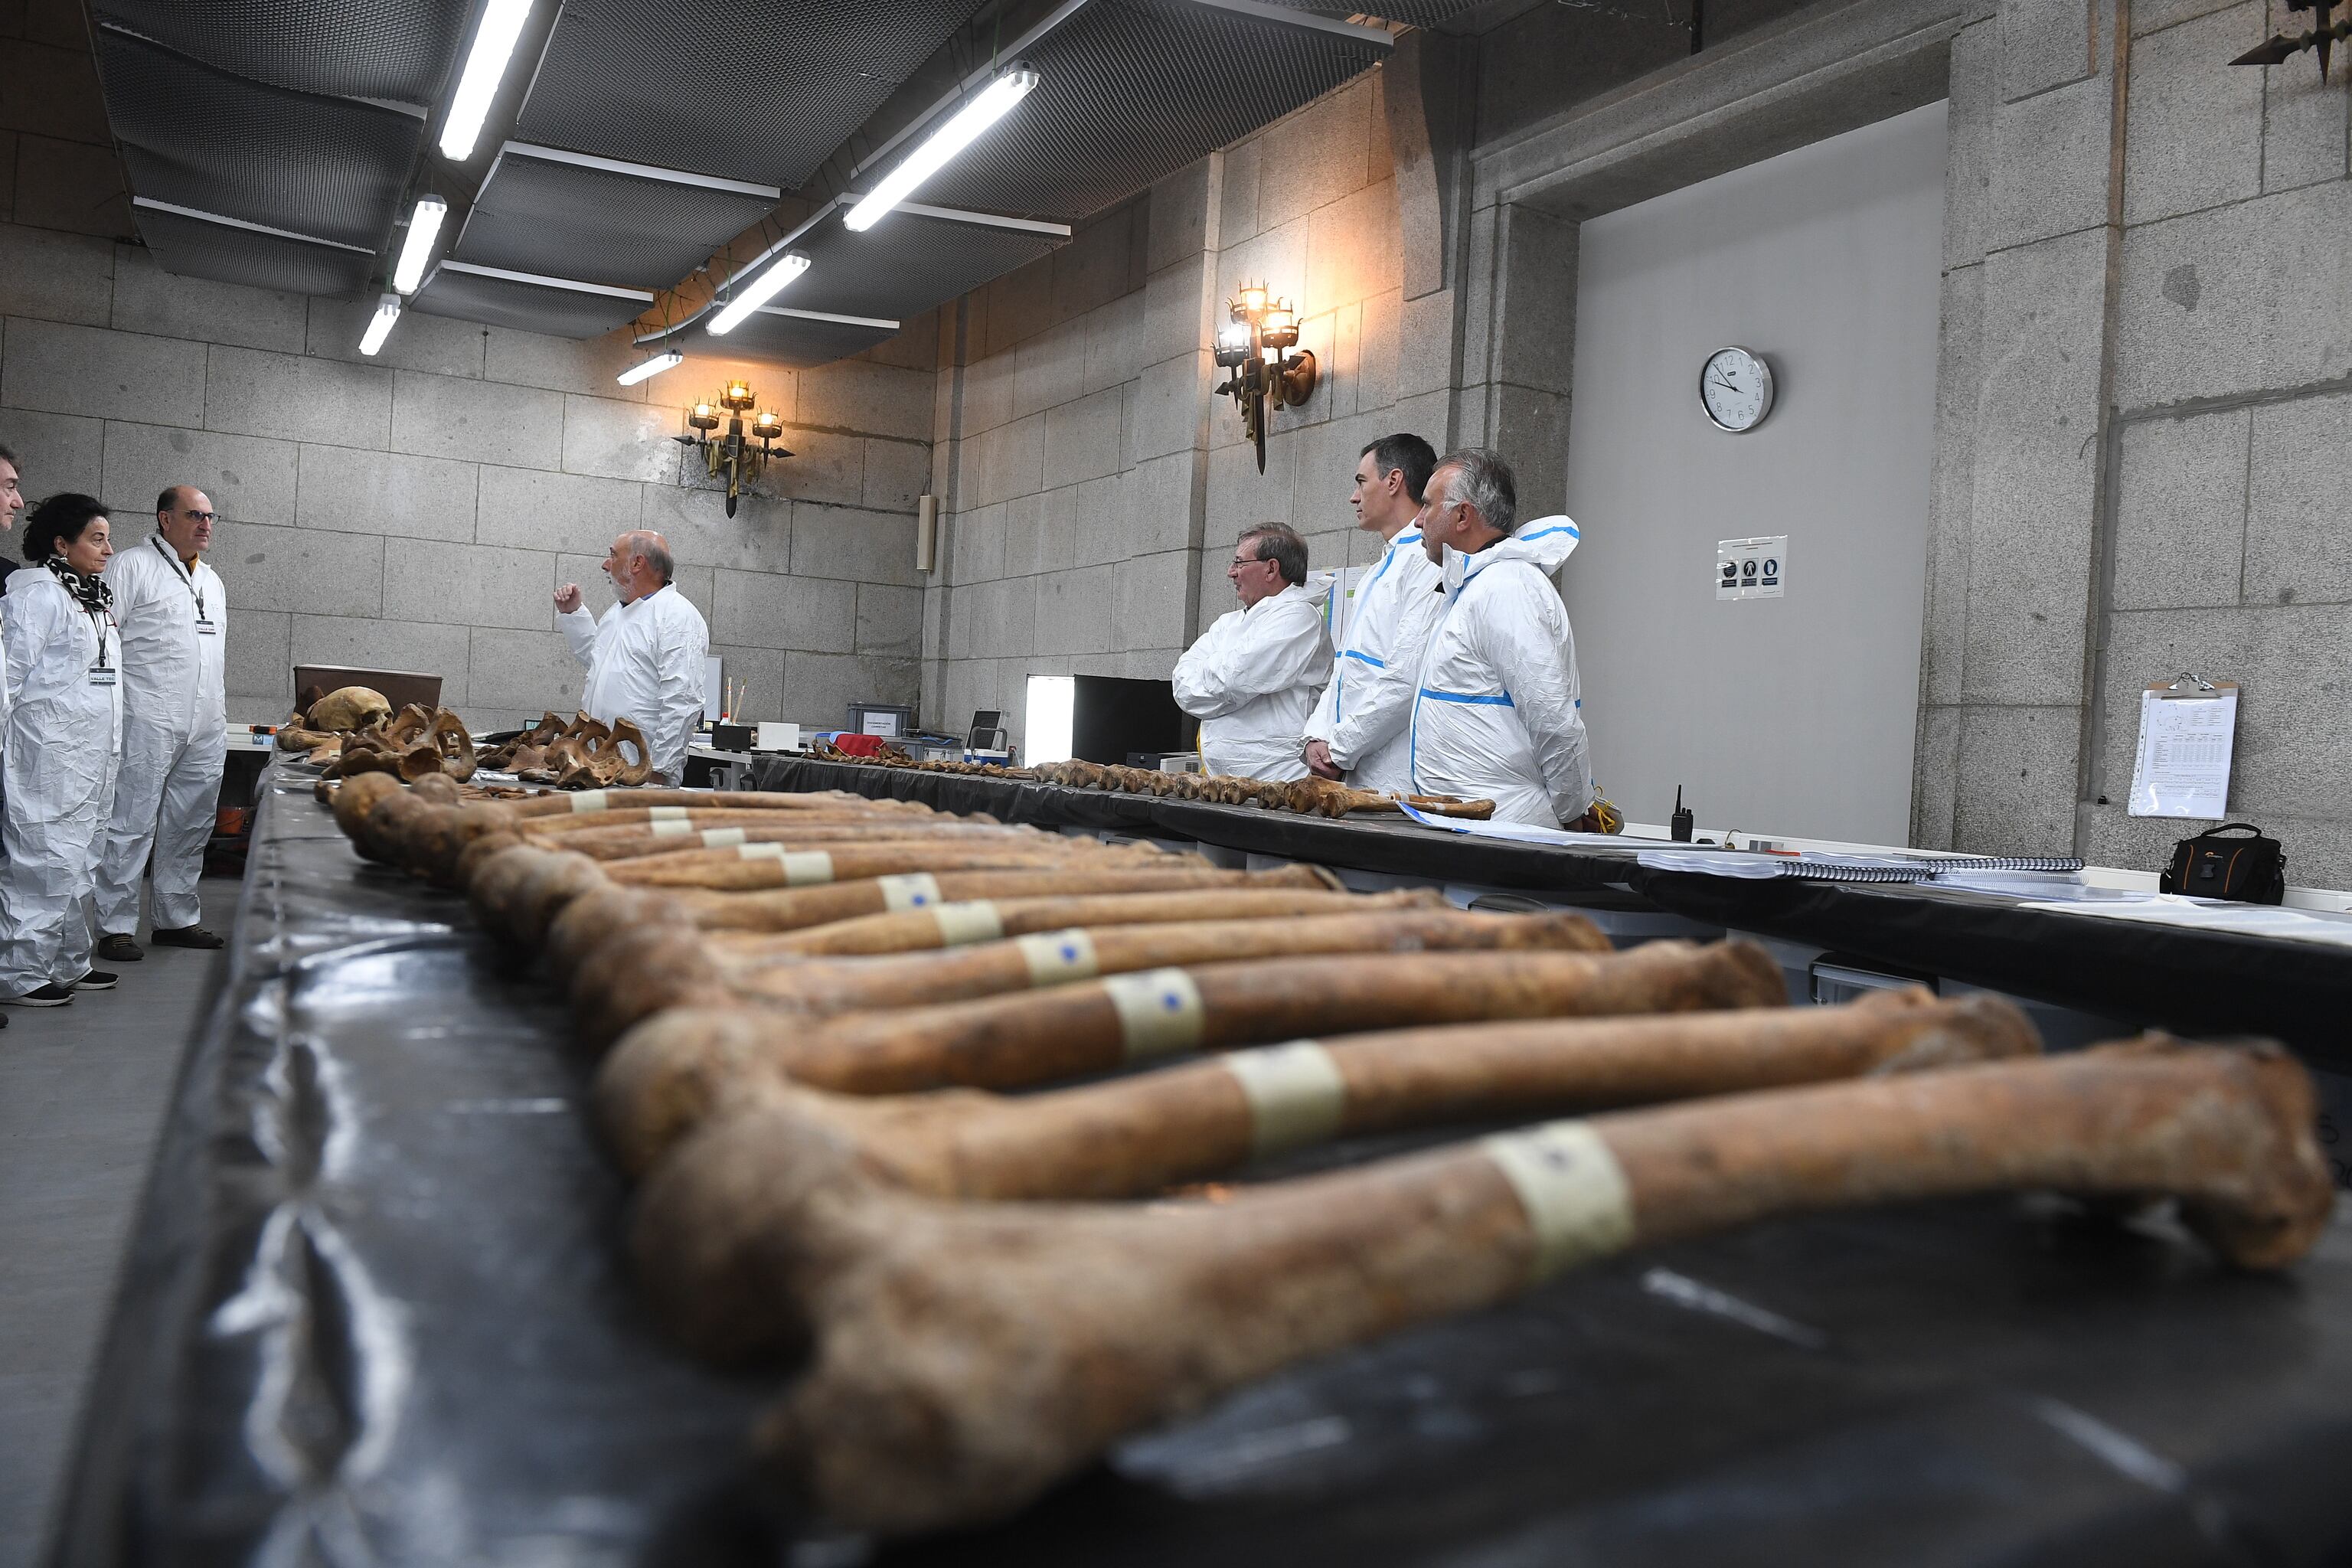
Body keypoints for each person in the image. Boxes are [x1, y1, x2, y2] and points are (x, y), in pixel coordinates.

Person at [1407, 449, 1596, 828]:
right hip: (1469, 826)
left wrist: (1574, 813)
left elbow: (1552, 719)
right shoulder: (1474, 588)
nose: (1417, 521)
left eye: (1427, 505)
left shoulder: (1507, 588)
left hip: (1504, 829)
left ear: (1463, 515)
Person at [93, 487, 227, 962]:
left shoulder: (212, 581)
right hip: (146, 717)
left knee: (191, 822)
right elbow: (102, 637)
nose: (206, 524)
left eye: (211, 517)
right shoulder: (131, 566)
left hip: (205, 721)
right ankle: (115, 926)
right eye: (195, 515)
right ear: (164, 519)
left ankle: (176, 920)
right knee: (130, 822)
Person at [0, 495, 125, 1005]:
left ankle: (68, 961)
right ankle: (19, 973)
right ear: (60, 543)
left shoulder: (91, 597)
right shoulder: (36, 595)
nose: (109, 549)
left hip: (93, 755)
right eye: (97, 539)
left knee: (81, 860)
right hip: (47, 756)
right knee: (42, 862)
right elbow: (7, 673)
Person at [1302, 433, 1442, 794]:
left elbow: (1405, 679)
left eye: (1361, 482)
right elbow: (1346, 669)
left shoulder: (1428, 563)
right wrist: (1318, 734)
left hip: (1395, 776)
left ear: (1394, 481)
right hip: (1354, 766)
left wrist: (1339, 748)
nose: (1354, 496)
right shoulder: (1379, 569)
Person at [1171, 522, 1331, 782]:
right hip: (1221, 782)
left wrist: (1218, 683)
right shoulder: (1228, 623)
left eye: (1239, 563)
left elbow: (1237, 677)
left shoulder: (1299, 617)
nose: (1230, 573)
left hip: (1279, 780)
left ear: (1271, 568)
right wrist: (1234, 690)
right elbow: (1181, 685)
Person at [554, 529, 709, 785]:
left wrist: (657, 768)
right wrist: (573, 615)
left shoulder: (678, 617)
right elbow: (599, 663)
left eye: (613, 556)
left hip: (639, 772)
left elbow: (683, 701)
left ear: (637, 563)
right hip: (595, 763)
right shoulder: (616, 613)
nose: (605, 565)